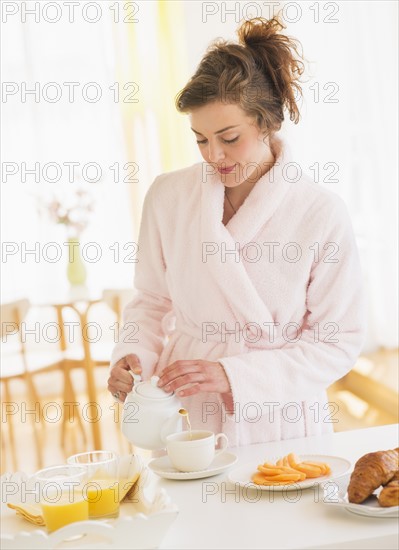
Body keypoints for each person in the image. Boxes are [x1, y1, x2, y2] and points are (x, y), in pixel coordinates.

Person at [108, 16, 365, 446]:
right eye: (201, 140)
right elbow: (152, 302)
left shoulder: (320, 213)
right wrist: (133, 356)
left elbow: (337, 342)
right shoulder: (168, 197)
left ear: (266, 123)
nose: (215, 155)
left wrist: (234, 376)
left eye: (229, 137)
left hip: (279, 412)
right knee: (191, 510)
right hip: (187, 406)